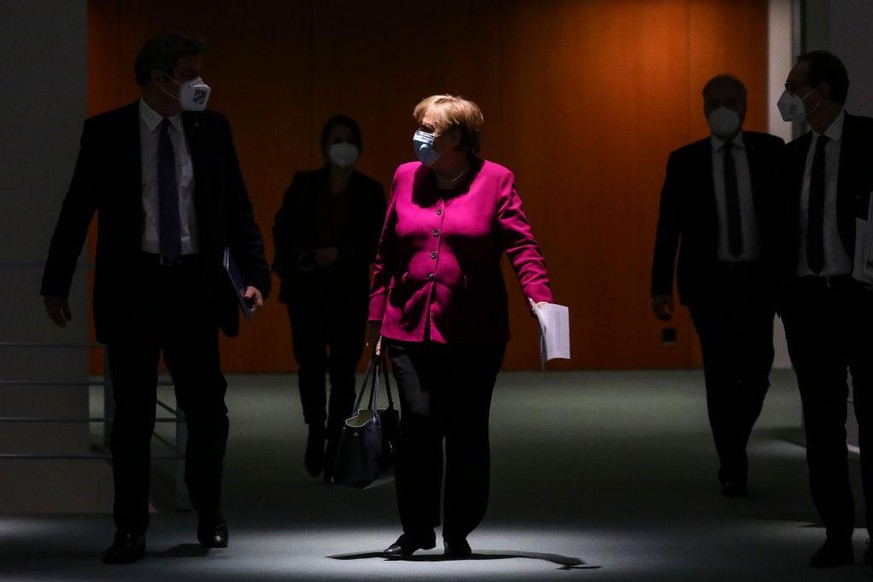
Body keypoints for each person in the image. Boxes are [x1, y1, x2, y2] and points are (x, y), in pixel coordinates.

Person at [40, 32, 271, 564]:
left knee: (207, 411)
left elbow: (237, 208)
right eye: (189, 74)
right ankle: (130, 529)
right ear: (156, 79)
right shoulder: (107, 133)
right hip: (134, 286)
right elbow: (77, 211)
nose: (199, 84)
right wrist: (56, 282)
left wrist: (255, 274)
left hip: (195, 285)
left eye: (198, 73)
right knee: (132, 419)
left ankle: (209, 510)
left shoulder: (212, 129)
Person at [368, 94, 554, 558]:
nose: (419, 136)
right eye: (420, 126)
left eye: (430, 129)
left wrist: (540, 298)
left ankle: (458, 530)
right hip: (408, 326)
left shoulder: (496, 180)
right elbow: (384, 253)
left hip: (475, 332)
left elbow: (523, 247)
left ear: (459, 137)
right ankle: (416, 530)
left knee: (467, 430)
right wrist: (374, 322)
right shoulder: (405, 177)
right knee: (419, 423)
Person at [651, 75, 784, 497]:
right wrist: (660, 287)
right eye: (713, 104)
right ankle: (732, 460)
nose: (722, 110)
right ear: (704, 109)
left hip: (758, 282)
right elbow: (667, 228)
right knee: (721, 375)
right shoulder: (685, 160)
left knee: (758, 370)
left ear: (744, 107)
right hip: (709, 285)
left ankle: (736, 437)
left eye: (730, 102)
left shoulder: (771, 153)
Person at [774, 50, 873, 568]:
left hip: (862, 299)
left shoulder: (871, 141)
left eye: (796, 86)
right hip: (809, 303)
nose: (788, 96)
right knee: (822, 422)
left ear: (824, 89)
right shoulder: (794, 157)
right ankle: (837, 531)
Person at [272, 115, 386, 482]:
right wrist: (302, 255)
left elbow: (376, 240)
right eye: (336, 139)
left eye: (349, 139)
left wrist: (342, 253)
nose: (342, 145)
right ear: (325, 146)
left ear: (358, 146)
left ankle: (338, 437)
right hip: (307, 289)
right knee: (309, 364)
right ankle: (315, 429)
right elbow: (282, 228)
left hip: (348, 292)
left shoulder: (369, 190)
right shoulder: (305, 184)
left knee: (342, 370)